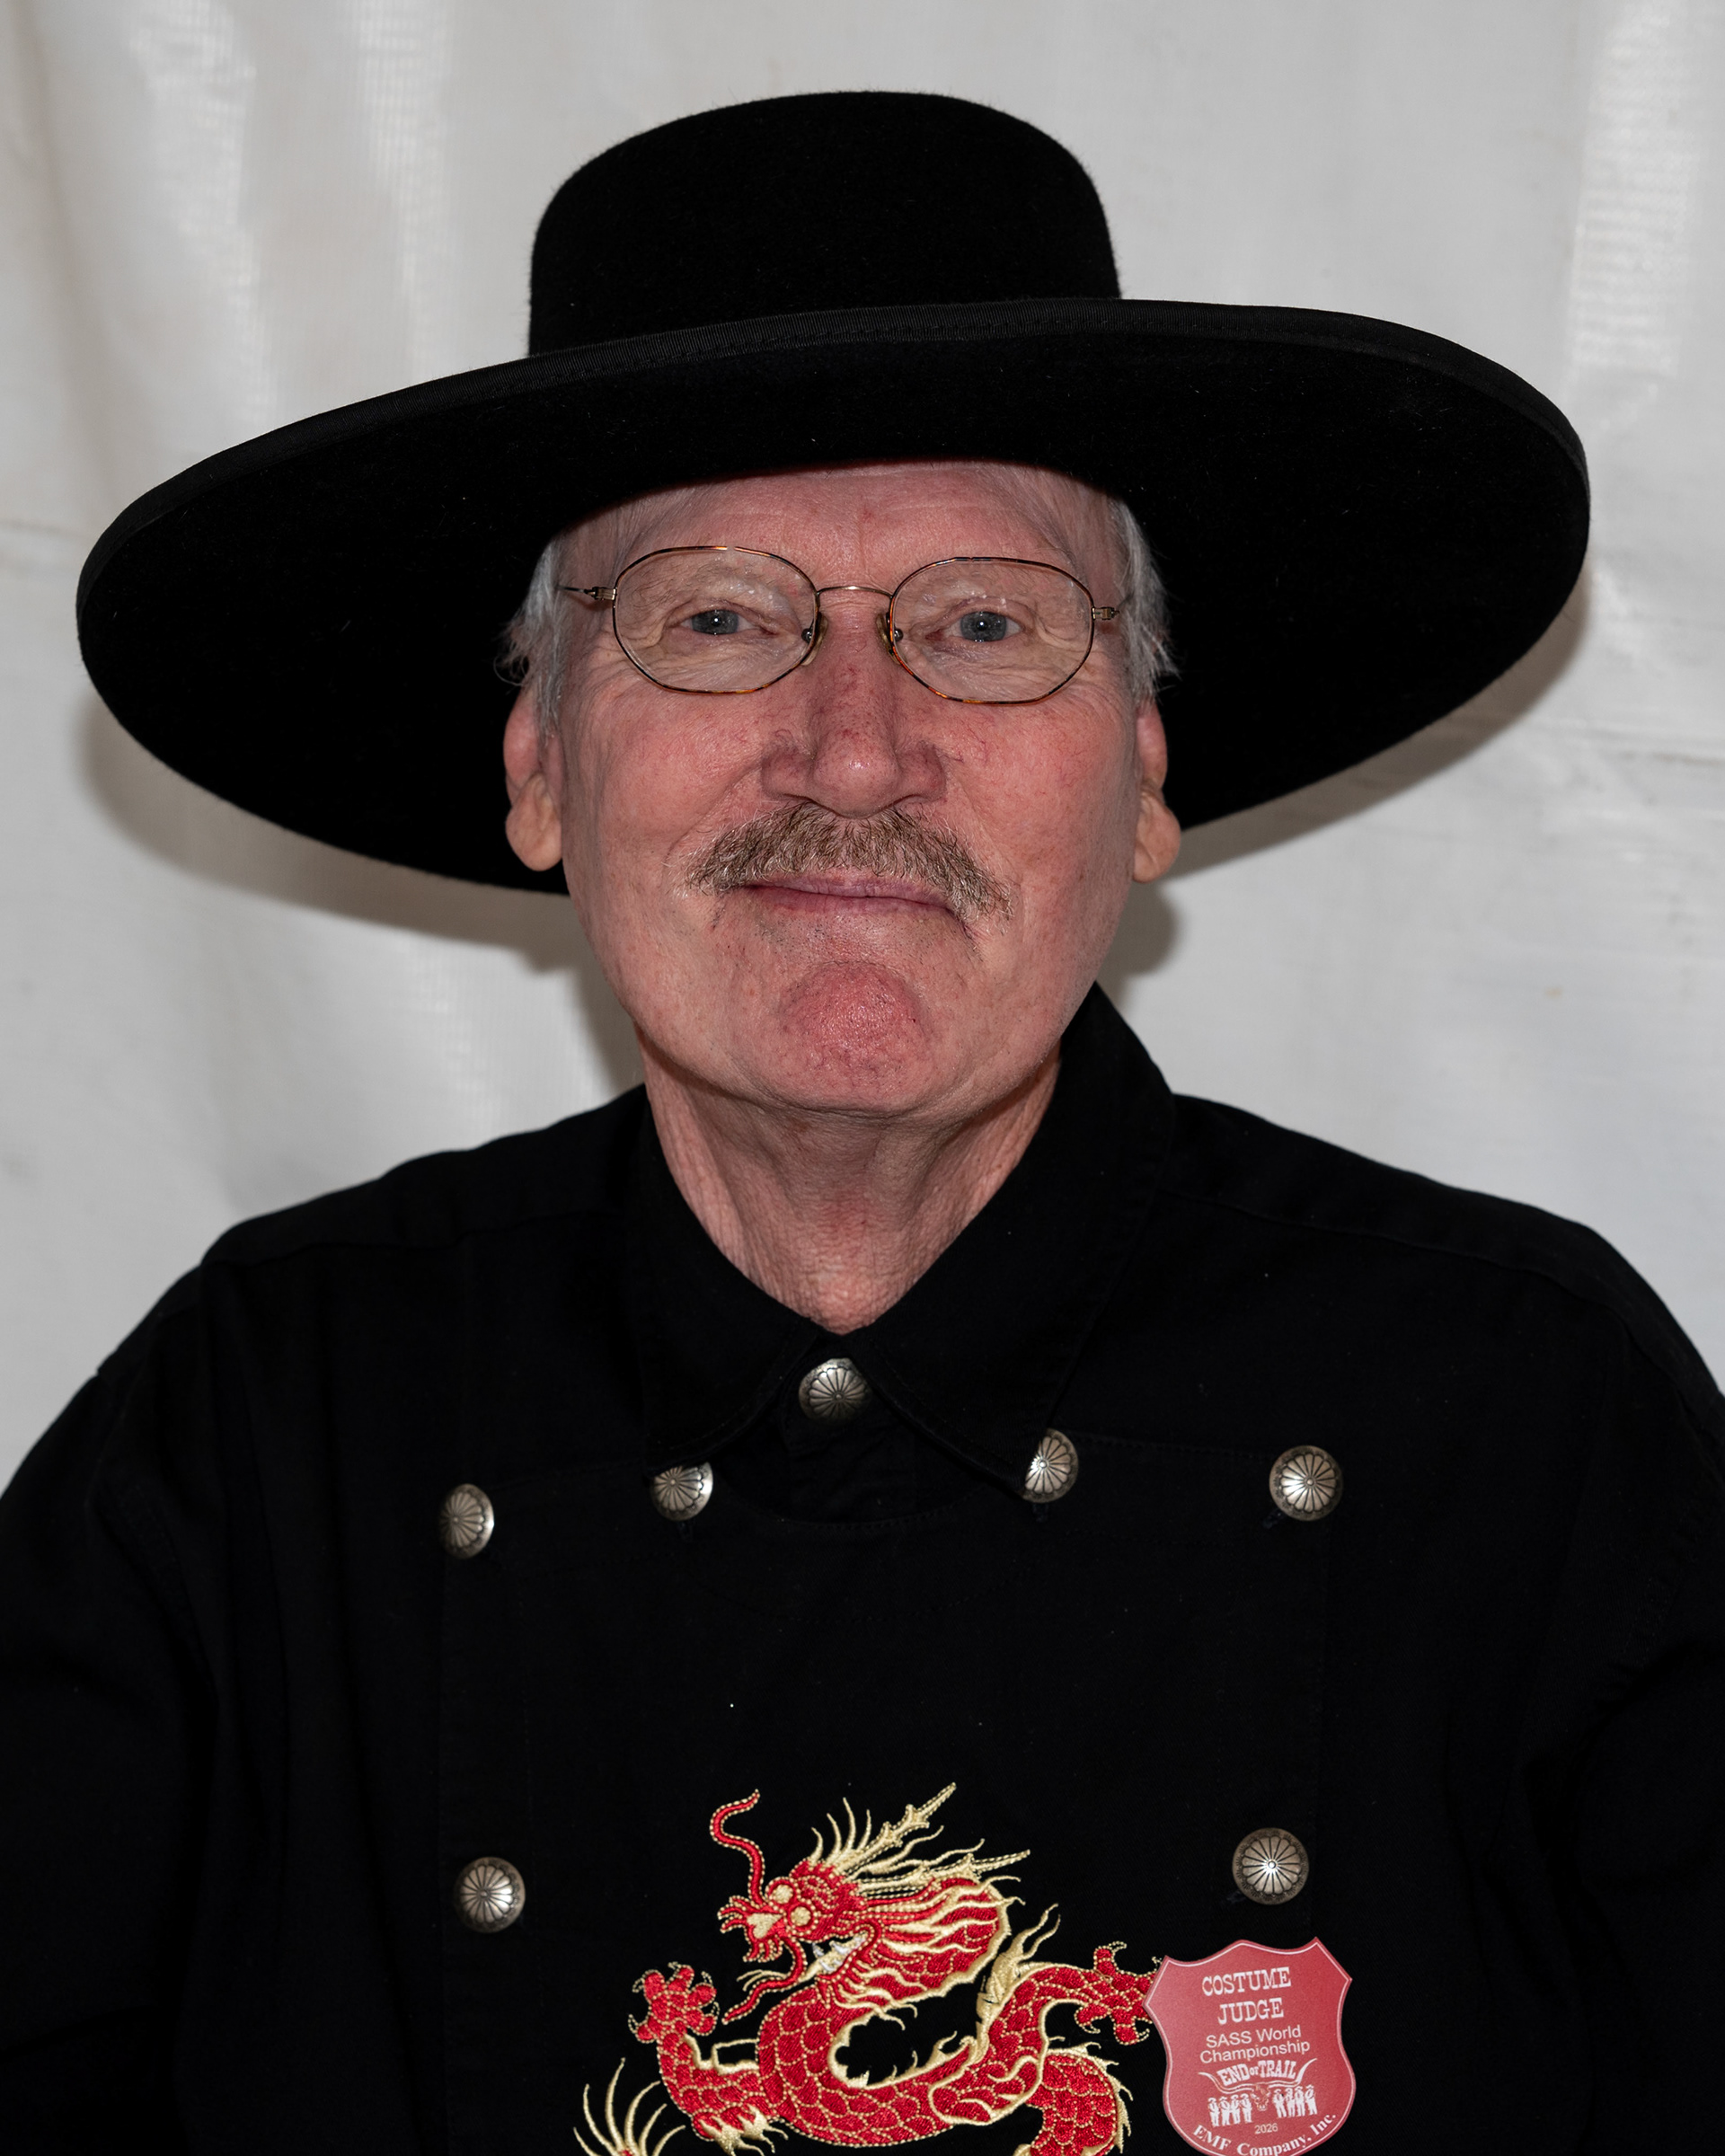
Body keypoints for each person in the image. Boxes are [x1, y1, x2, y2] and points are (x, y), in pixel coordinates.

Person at [4, 90, 1721, 2156]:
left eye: (985, 623)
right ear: (541, 766)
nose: (853, 750)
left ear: (1144, 775)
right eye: (718, 618)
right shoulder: (257, 1433)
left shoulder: (1528, 1421)